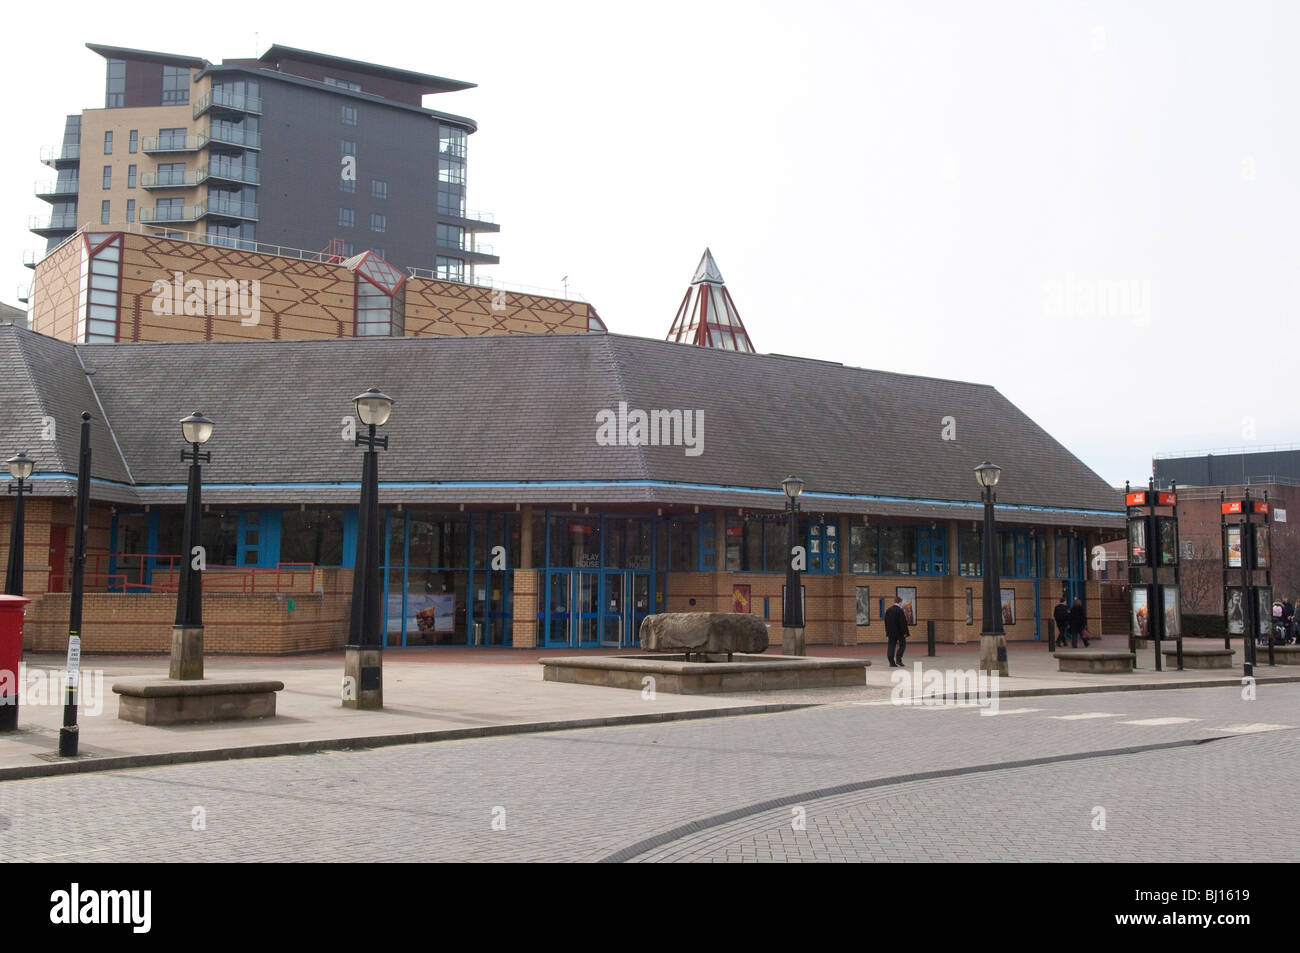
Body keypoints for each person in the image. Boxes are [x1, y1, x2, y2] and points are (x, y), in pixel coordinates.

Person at [884, 595, 909, 667]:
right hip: (899, 632)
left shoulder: (888, 610)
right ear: (900, 602)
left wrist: (887, 631)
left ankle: (891, 662)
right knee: (902, 645)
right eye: (901, 602)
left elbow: (886, 621)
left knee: (891, 645)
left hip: (891, 632)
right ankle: (898, 659)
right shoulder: (900, 610)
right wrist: (905, 632)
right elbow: (903, 623)